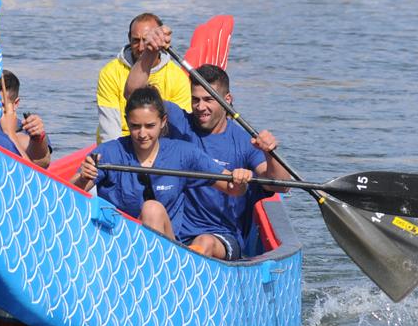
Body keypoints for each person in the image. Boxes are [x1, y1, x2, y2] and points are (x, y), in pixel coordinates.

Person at [124, 24, 292, 260]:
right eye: (195, 100)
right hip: (176, 234)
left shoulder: (244, 140)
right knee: (151, 211)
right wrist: (150, 52)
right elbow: (134, 94)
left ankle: (178, 268)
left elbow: (280, 185)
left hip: (222, 238)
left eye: (208, 100)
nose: (200, 107)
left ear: (227, 100)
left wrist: (269, 153)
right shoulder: (179, 123)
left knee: (204, 242)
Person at [72, 86, 251, 242]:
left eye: (150, 126)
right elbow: (69, 193)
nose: (142, 134)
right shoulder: (108, 152)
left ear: (163, 122)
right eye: (135, 126)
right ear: (127, 121)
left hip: (168, 253)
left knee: (152, 209)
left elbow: (233, 189)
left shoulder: (184, 153)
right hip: (117, 243)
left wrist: (240, 180)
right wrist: (83, 178)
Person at [95, 12, 191, 144]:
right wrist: (114, 156)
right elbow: (109, 126)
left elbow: (179, 127)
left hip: (159, 143)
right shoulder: (110, 72)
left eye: (146, 40)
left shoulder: (178, 77)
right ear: (129, 39)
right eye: (136, 40)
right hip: (120, 143)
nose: (141, 47)